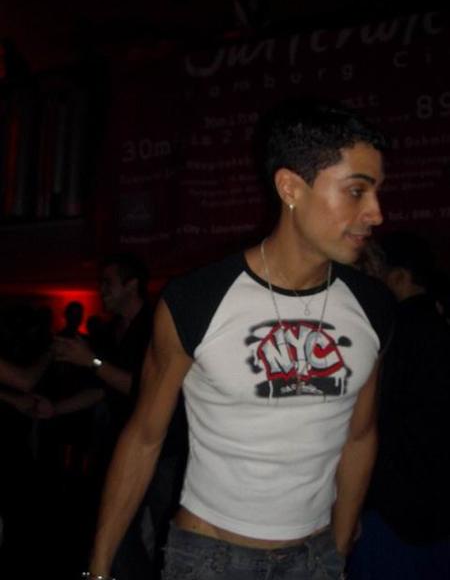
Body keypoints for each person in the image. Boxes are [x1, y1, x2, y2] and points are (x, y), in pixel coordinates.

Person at [85, 98, 394, 580]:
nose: (375, 213)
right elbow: (144, 437)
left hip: (313, 558)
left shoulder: (373, 305)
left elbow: (360, 435)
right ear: (290, 188)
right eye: (357, 191)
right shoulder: (198, 298)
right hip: (210, 558)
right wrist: (100, 568)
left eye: (376, 193)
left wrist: (336, 551)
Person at [55, 252, 186, 580]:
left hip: (163, 451)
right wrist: (54, 408)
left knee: (165, 534)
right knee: (115, 533)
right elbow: (105, 389)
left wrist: (93, 363)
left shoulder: (156, 325)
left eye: (107, 283)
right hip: (125, 449)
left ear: (132, 285)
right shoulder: (114, 331)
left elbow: (147, 388)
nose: (101, 290)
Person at [347, 232, 450, 580]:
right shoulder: (437, 326)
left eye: (377, 271)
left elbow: (367, 424)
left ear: (399, 277)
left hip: (394, 512)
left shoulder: (391, 333)